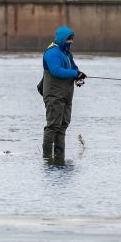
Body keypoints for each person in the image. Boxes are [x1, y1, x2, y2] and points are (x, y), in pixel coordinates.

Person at [40, 26, 85, 161]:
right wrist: (74, 73)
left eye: (72, 39)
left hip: (66, 95)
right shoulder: (52, 52)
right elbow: (56, 71)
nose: (70, 41)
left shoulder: (67, 53)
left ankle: (59, 157)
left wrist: (79, 75)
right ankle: (47, 157)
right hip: (54, 95)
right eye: (68, 39)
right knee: (53, 125)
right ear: (61, 38)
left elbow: (74, 68)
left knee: (63, 125)